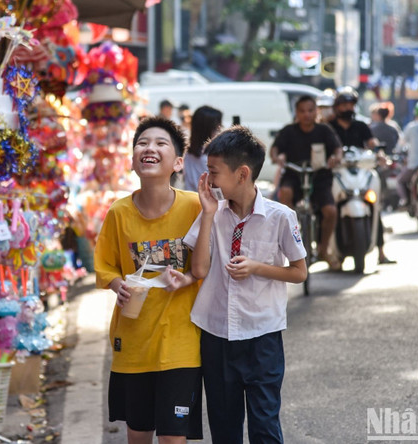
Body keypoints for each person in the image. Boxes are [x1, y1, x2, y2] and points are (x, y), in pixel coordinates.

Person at [184, 125, 307, 443]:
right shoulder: (213, 213)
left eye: (214, 171)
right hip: (217, 335)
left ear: (242, 174)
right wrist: (208, 213)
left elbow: (299, 272)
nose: (208, 179)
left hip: (261, 336)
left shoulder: (280, 217)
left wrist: (258, 268)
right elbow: (198, 270)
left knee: (265, 424)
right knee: (224, 428)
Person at [94, 116, 203, 444]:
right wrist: (118, 285)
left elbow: (207, 265)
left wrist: (186, 278)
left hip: (181, 346)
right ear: (132, 160)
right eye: (142, 143)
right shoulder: (119, 212)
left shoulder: (196, 207)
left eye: (160, 143)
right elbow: (105, 267)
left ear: (178, 162)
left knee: (173, 439)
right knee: (138, 435)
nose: (149, 148)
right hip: (133, 345)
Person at [271, 95, 342, 270]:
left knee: (331, 211)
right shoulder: (289, 131)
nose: (306, 115)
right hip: (294, 174)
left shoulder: (324, 130)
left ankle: (324, 249)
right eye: (302, 111)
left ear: (316, 111)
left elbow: (337, 149)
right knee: (285, 193)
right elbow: (275, 148)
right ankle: (292, 233)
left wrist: (335, 158)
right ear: (297, 113)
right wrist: (276, 157)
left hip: (319, 176)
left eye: (310, 110)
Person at [328, 87, 396, 265]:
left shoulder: (361, 125)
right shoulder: (329, 126)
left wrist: (380, 154)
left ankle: (381, 252)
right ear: (336, 107)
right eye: (343, 105)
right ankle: (325, 249)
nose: (347, 108)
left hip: (360, 172)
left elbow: (372, 143)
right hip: (337, 173)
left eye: (350, 104)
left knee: (374, 206)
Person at [184, 105, 223, 192]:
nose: (220, 132)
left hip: (191, 198)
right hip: (207, 201)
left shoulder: (188, 152)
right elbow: (217, 189)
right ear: (207, 130)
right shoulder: (211, 157)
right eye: (217, 128)